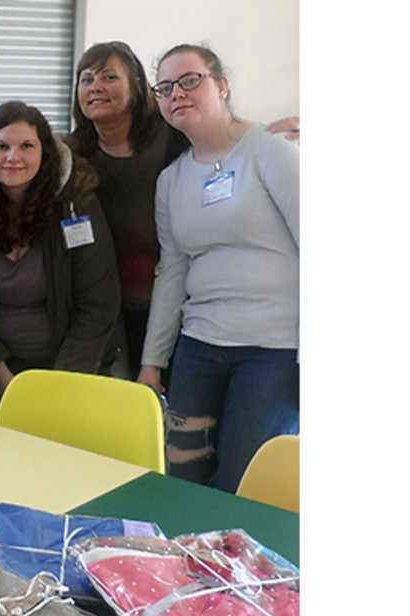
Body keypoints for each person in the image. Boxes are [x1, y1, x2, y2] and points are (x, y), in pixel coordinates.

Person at [65, 41, 299, 381]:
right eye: (86, 79)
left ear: (138, 87)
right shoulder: (71, 156)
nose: (96, 87)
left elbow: (222, 135)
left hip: (182, 310)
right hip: (107, 311)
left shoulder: (172, 138)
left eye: (109, 76)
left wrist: (269, 137)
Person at [138, 44, 299, 494]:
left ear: (222, 86)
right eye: (165, 88)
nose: (177, 94)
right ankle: (190, 564)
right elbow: (171, 272)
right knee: (183, 475)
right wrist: (152, 361)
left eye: (191, 80)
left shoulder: (272, 148)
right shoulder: (170, 180)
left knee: (241, 482)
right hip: (200, 346)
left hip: (273, 350)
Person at [0, 101, 120, 401]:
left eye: (26, 146)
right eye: (1, 147)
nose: (13, 157)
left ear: (44, 153)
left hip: (73, 371)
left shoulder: (76, 208)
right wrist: (0, 374)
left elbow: (98, 305)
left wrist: (62, 383)